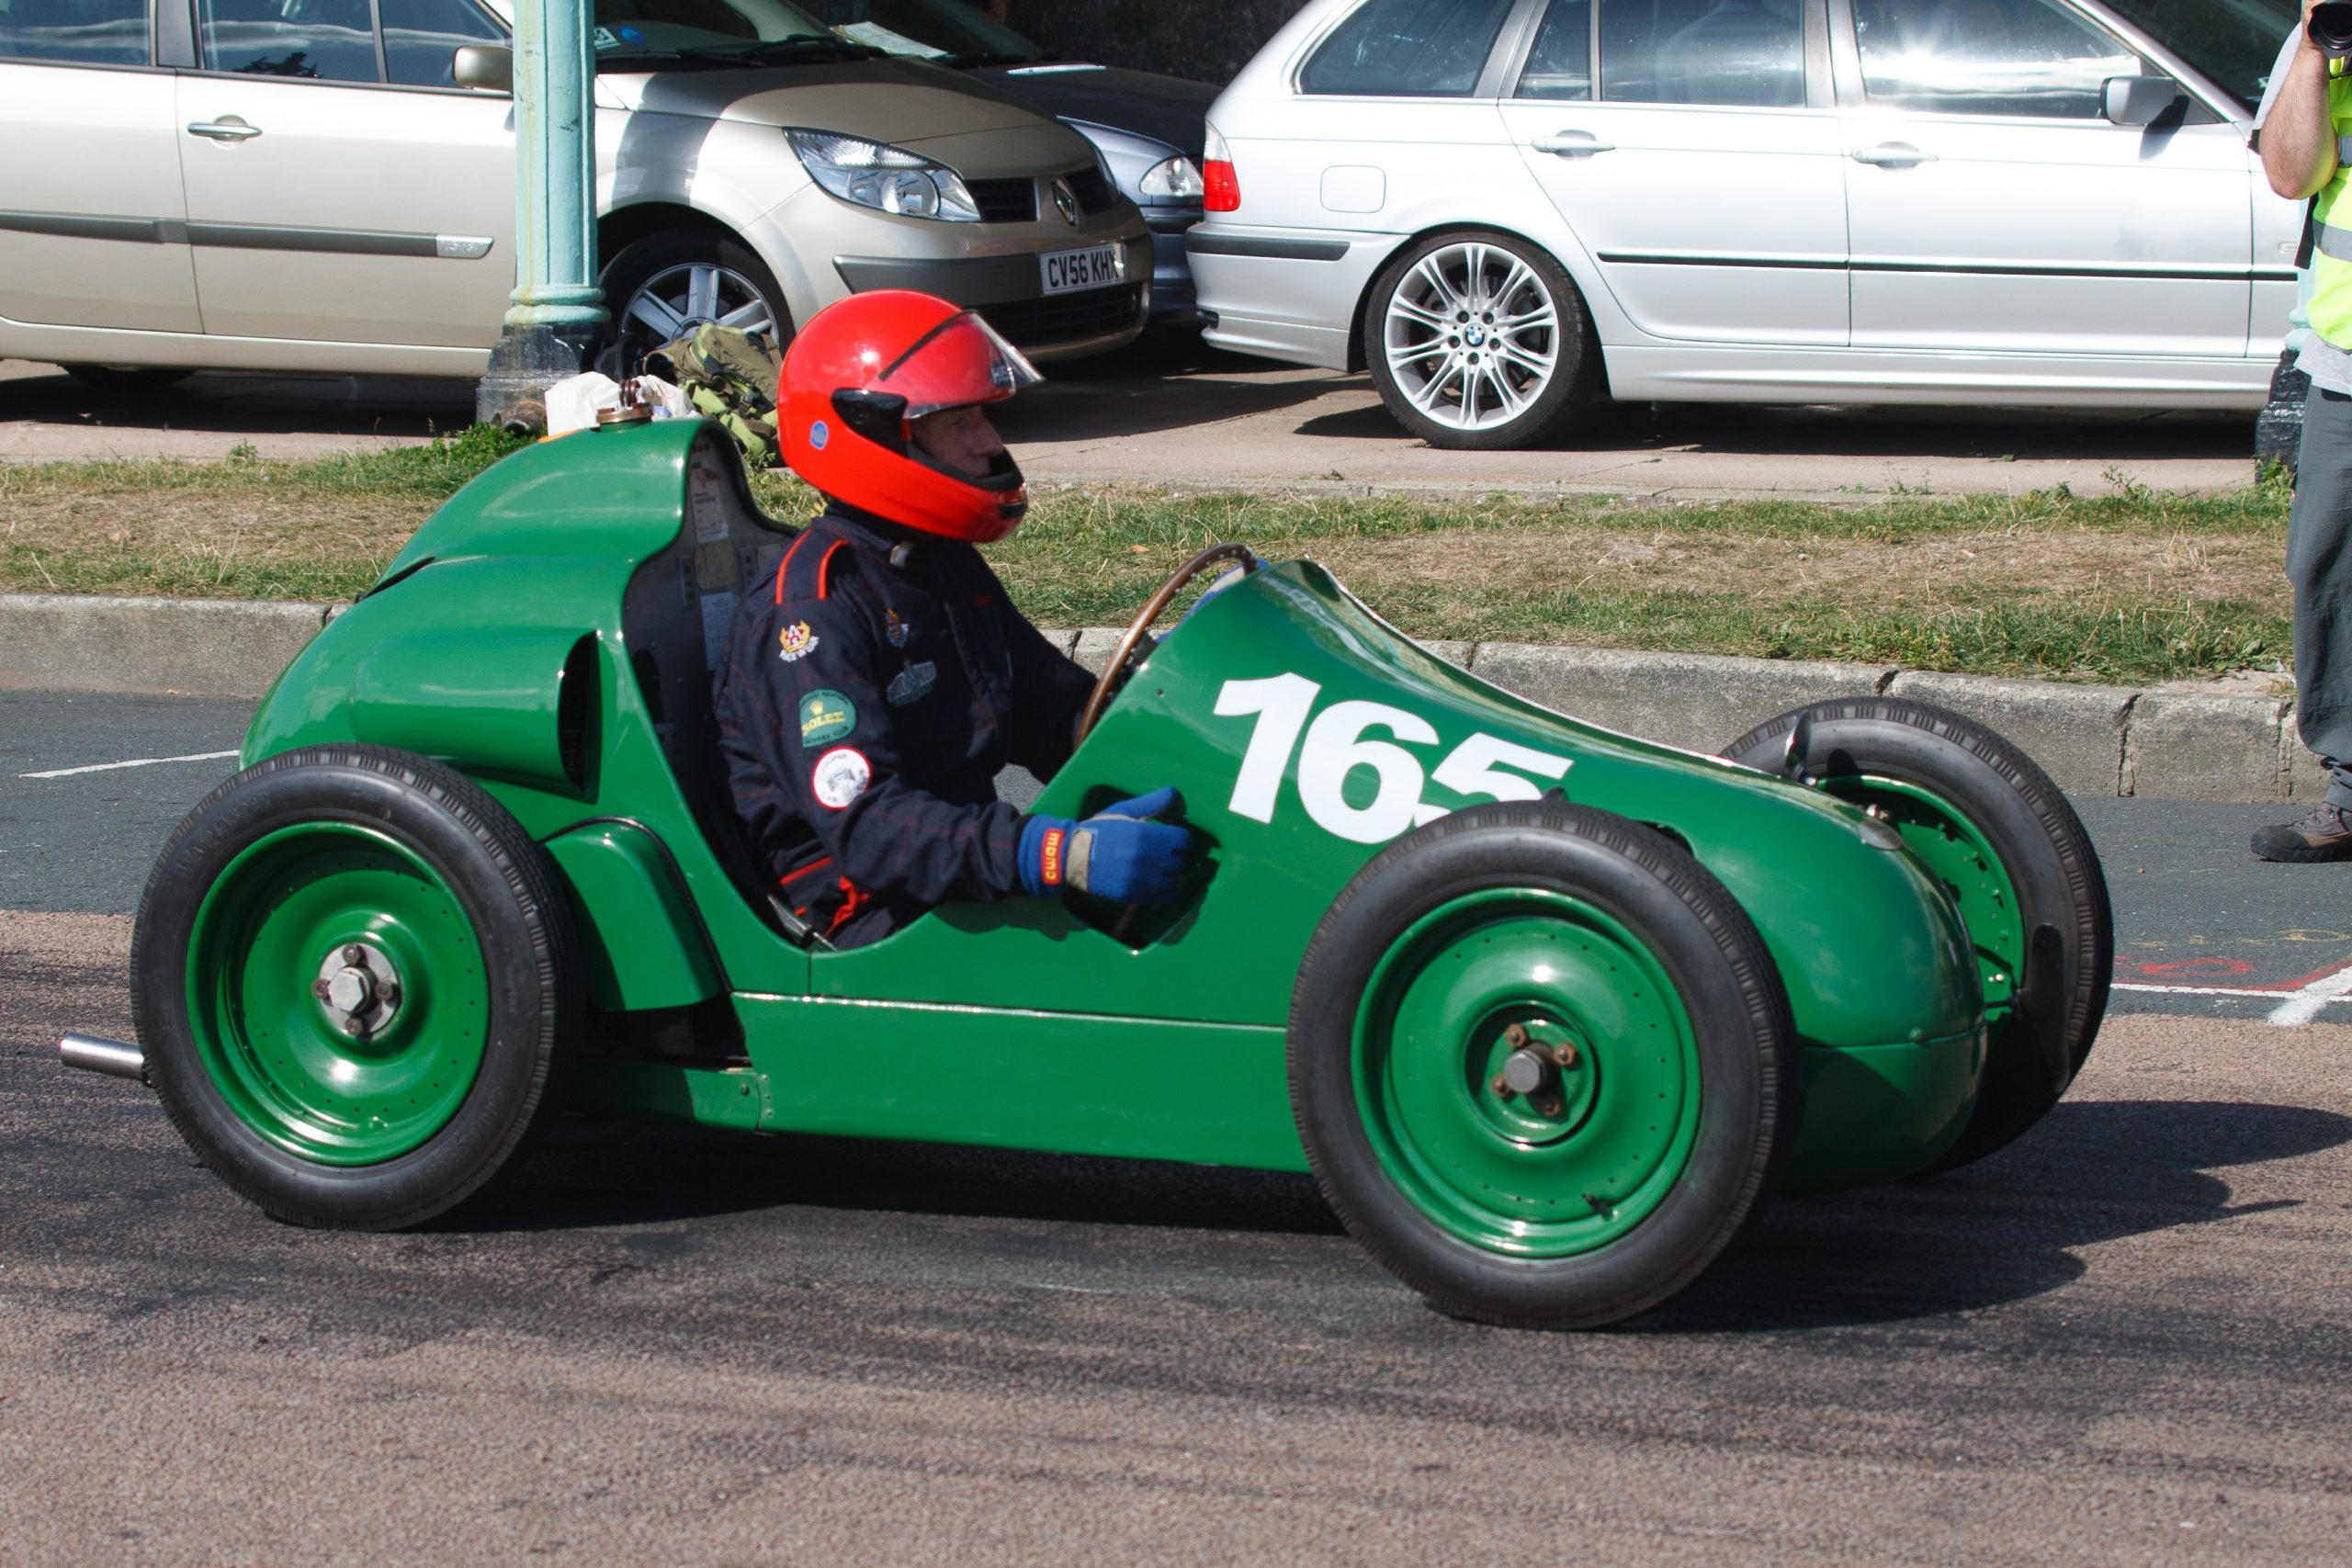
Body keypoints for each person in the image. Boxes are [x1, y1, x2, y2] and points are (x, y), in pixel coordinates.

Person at [713, 289, 1196, 945]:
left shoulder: (936, 562)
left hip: (957, 874)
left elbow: (1054, 711)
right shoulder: (812, 611)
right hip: (875, 919)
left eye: (983, 417)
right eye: (959, 421)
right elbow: (868, 829)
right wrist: (1056, 854)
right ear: (878, 434)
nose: (989, 442)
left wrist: (1186, 716)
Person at [2256, 1, 2352, 861]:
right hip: (2348, 361)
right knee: (2330, 572)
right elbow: (2291, 172)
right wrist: (2320, 47)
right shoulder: (2326, 41)